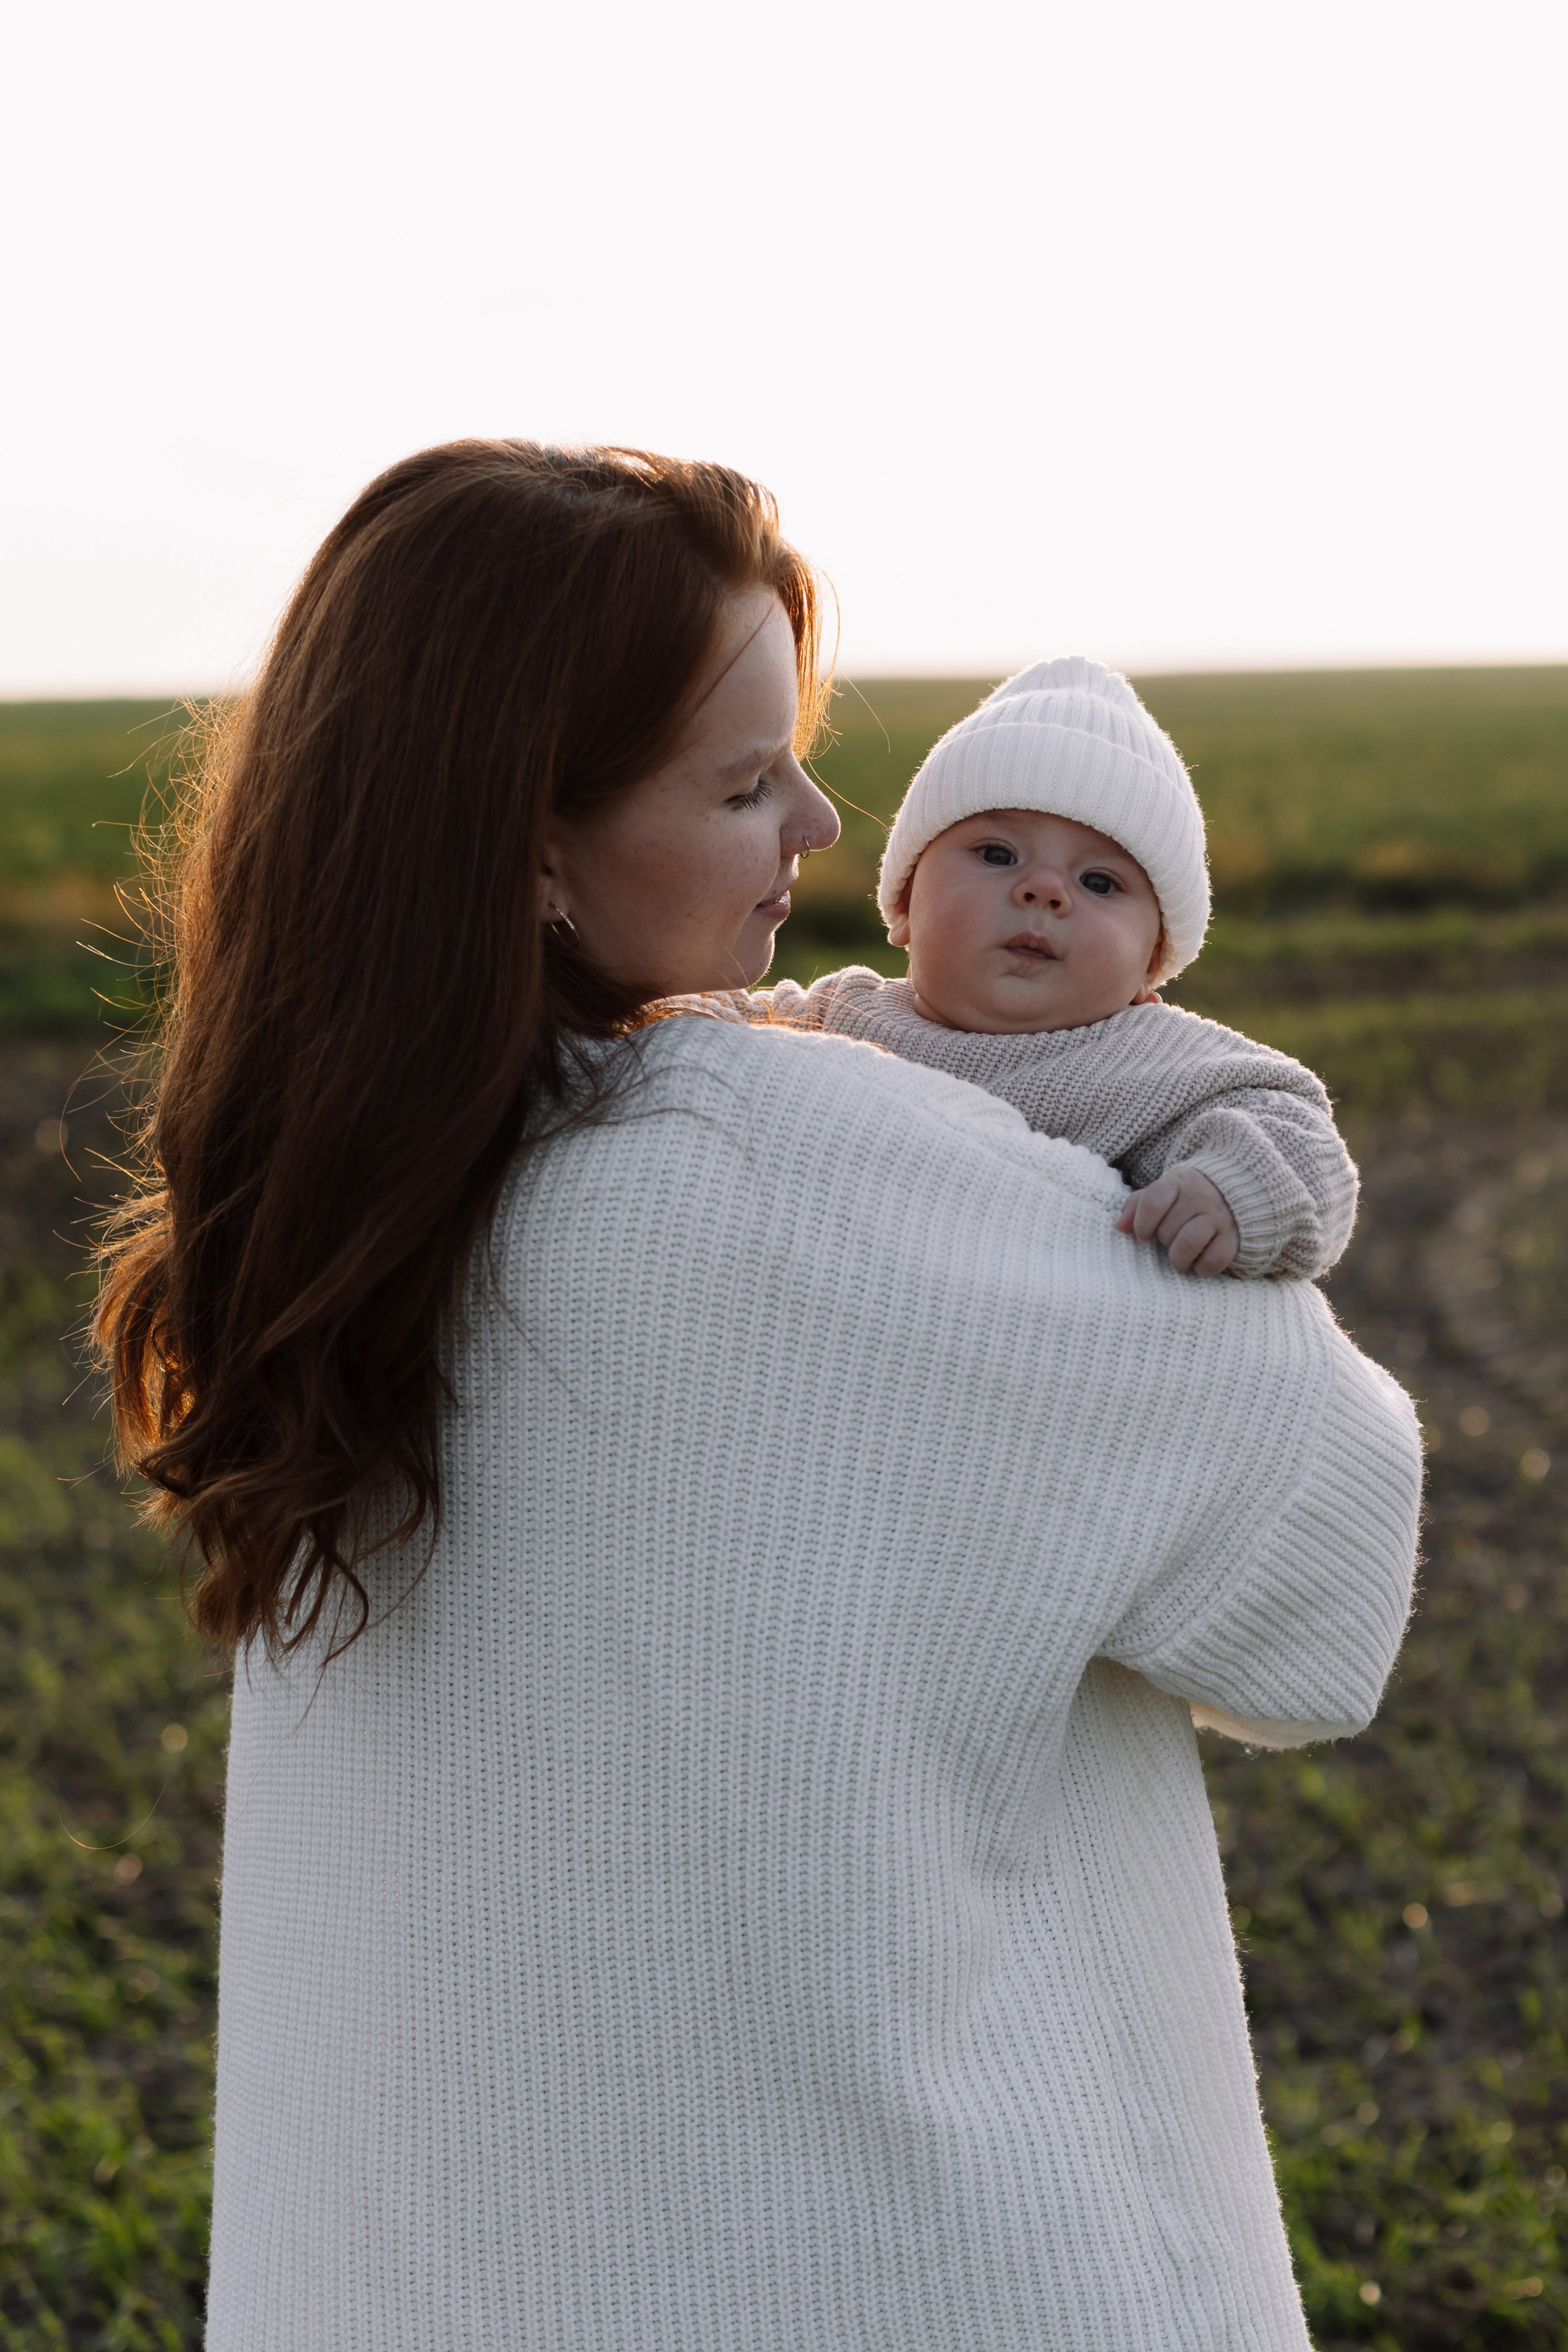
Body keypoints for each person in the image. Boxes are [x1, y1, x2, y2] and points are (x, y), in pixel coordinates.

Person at [95, 439, 1422, 2352]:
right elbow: (1325, 1577)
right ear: (527, 843)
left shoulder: (338, 1218)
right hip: (903, 2270)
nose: (818, 815)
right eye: (739, 779)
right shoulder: (817, 1161)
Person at [707, 657, 1357, 1281]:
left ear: (1151, 967)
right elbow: (706, 1025)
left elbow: (1300, 1139)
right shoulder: (839, 1015)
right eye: (996, 853)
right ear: (903, 905)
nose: (1045, 891)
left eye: (1100, 882)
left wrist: (1231, 1189)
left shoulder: (1153, 1064)